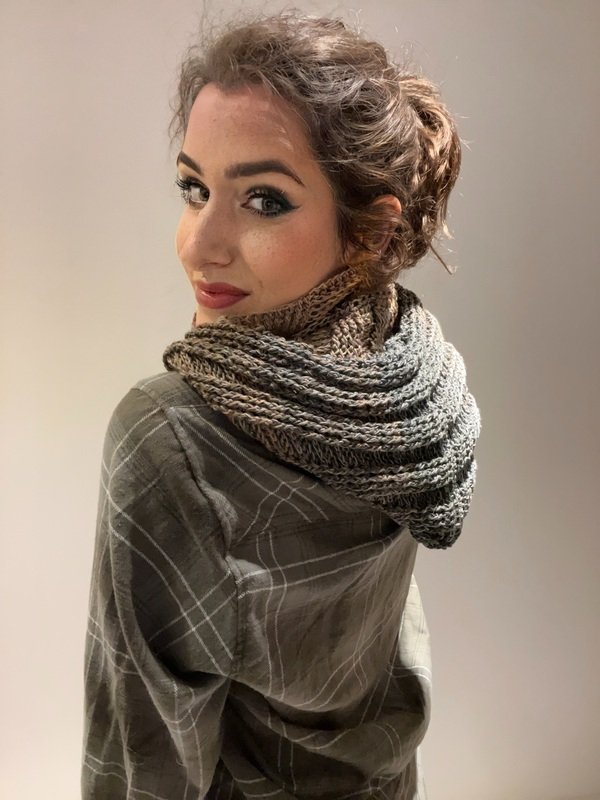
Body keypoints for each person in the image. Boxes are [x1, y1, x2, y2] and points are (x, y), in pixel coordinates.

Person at [81, 12, 481, 799]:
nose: (199, 245)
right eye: (195, 189)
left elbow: (138, 763)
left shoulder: (169, 438)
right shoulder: (412, 390)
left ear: (370, 233)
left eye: (264, 200)